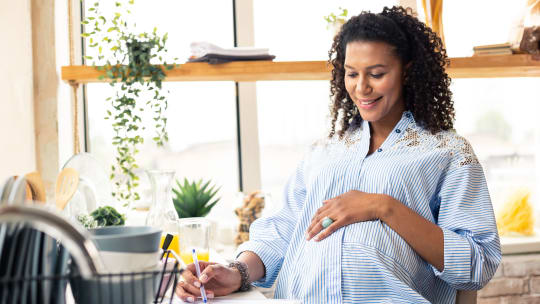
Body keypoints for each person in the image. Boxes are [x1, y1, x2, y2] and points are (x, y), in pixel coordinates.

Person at [175, 6, 501, 303]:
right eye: (351, 73)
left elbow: (476, 264)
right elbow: (284, 229)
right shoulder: (325, 150)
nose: (361, 88)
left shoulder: (447, 152)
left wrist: (383, 207)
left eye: (376, 74)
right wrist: (235, 272)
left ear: (407, 71)